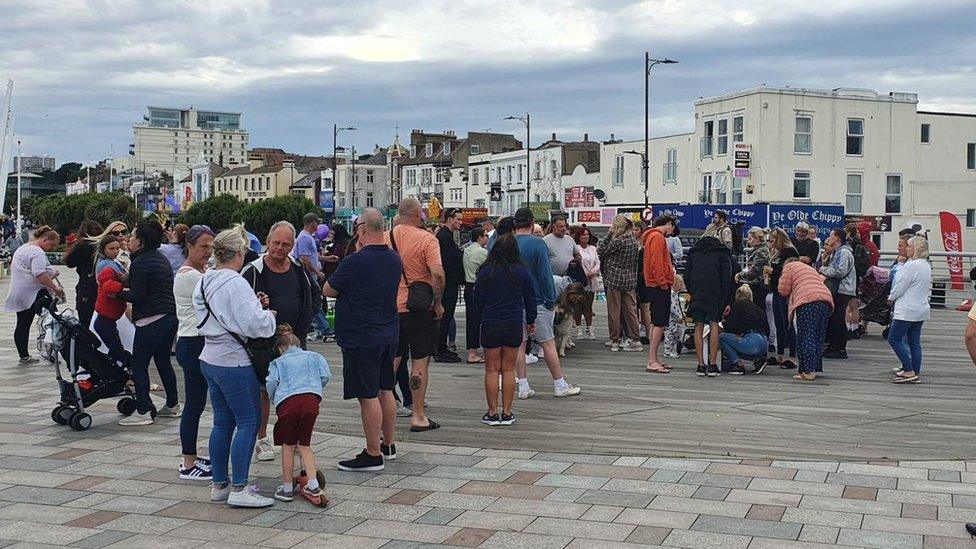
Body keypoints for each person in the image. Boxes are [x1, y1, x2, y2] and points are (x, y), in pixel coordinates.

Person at [193, 226, 277, 508]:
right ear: (239, 252)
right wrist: (269, 315)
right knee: (248, 422)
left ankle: (220, 484)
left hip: (210, 356)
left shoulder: (205, 280)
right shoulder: (236, 281)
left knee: (222, 423)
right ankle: (240, 488)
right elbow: (256, 325)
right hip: (233, 360)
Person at [324, 208, 402, 469]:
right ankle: (388, 444)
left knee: (367, 395)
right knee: (385, 389)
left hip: (361, 336)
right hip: (389, 332)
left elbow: (329, 289)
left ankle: (372, 453)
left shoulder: (354, 261)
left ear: (361, 229)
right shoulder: (393, 259)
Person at [241, 221, 317, 461]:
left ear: (293, 245)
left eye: (286, 244)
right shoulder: (253, 270)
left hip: (295, 342)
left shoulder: (298, 269)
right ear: (267, 241)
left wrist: (309, 314)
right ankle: (262, 439)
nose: (280, 248)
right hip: (264, 344)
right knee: (263, 391)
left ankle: (292, 439)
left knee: (296, 392)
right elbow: (241, 305)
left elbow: (314, 293)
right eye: (276, 243)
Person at [386, 197, 446, 432]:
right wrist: (438, 303)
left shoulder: (384, 238)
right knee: (419, 363)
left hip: (392, 310)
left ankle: (384, 411)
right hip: (419, 310)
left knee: (391, 362)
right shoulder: (427, 239)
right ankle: (418, 416)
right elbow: (438, 275)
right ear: (418, 214)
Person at [512, 208, 581, 399]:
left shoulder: (507, 243)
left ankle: (523, 386)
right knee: (548, 343)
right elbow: (544, 274)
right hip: (537, 300)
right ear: (532, 222)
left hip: (515, 301)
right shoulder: (538, 244)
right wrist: (551, 299)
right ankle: (559, 384)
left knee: (520, 344)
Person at [118, 221, 180, 426]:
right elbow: (148, 284)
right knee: (163, 361)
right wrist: (124, 280)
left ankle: (143, 410)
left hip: (151, 319)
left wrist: (116, 293)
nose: (129, 240)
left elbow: (139, 295)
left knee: (139, 365)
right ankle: (172, 405)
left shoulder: (141, 261)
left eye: (133, 237)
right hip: (169, 316)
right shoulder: (159, 258)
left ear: (141, 242)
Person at [472, 233, 536, 426]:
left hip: (491, 322)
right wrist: (530, 320)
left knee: (491, 369)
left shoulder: (485, 272)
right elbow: (530, 299)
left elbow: (477, 300)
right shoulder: (522, 272)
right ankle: (507, 413)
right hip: (513, 322)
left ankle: (492, 413)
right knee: (508, 370)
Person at [266, 324, 331, 501]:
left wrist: (275, 398)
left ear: (280, 348)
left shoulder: (277, 362)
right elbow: (325, 376)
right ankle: (313, 484)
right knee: (304, 444)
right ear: (299, 343)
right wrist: (315, 388)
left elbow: (271, 383)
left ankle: (287, 488)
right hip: (311, 401)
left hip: (288, 403)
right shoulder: (315, 356)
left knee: (288, 446)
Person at [173, 225, 216, 481]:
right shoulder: (191, 276)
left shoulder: (201, 272)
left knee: (197, 402)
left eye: (211, 246)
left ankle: (191, 457)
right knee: (194, 403)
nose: (208, 251)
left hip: (195, 341)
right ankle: (188, 461)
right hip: (193, 342)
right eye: (203, 246)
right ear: (189, 246)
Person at [4, 226, 65, 364]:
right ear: (44, 239)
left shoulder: (23, 248)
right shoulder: (37, 252)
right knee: (52, 322)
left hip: (20, 293)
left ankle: (24, 356)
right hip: (35, 292)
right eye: (51, 245)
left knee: (22, 324)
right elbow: (39, 273)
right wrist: (55, 288)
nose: (51, 249)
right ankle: (50, 352)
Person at [684, 235, 733, 377]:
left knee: (698, 327)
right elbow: (726, 279)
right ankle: (712, 364)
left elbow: (687, 276)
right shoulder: (722, 254)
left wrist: (693, 291)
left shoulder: (694, 254)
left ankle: (700, 364)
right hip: (715, 294)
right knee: (714, 326)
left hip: (698, 295)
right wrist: (724, 299)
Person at [778, 258, 833, 381]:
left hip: (808, 301)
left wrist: (779, 278)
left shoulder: (789, 267)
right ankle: (813, 368)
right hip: (826, 300)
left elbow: (783, 290)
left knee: (805, 336)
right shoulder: (808, 268)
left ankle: (808, 371)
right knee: (817, 337)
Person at [888, 236, 932, 384]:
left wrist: (891, 297)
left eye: (909, 246)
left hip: (907, 310)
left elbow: (900, 285)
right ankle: (915, 370)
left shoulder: (911, 265)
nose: (906, 248)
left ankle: (908, 369)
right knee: (914, 342)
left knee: (893, 338)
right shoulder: (926, 265)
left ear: (915, 248)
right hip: (921, 309)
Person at [598, 215, 642, 353]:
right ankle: (635, 339)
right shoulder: (633, 241)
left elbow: (601, 251)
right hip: (629, 280)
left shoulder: (619, 240)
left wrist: (609, 234)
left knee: (614, 311)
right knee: (631, 311)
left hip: (614, 279)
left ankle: (615, 340)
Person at [641, 215, 677, 373]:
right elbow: (656, 262)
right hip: (658, 285)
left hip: (653, 283)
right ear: (668, 224)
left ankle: (654, 357)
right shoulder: (658, 238)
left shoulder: (650, 236)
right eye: (672, 227)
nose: (672, 230)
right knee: (660, 322)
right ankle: (652, 360)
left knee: (656, 321)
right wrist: (663, 282)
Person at [294, 213, 334, 342]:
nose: (318, 225)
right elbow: (304, 259)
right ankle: (325, 329)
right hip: (308, 275)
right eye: (317, 222)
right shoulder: (305, 238)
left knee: (313, 302)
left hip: (310, 275)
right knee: (315, 302)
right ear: (313, 223)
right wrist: (317, 272)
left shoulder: (307, 237)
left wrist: (326, 258)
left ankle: (316, 328)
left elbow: (311, 256)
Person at [762, 228, 799, 369]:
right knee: (778, 323)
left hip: (785, 291)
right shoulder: (777, 252)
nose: (771, 243)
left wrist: (772, 271)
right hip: (776, 289)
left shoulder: (789, 252)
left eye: (773, 240)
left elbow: (788, 272)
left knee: (787, 323)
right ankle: (780, 354)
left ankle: (793, 355)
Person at [819, 229, 857, 359]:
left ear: (837, 238)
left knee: (838, 318)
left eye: (831, 236)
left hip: (842, 289)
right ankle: (833, 346)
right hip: (839, 289)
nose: (829, 238)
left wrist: (823, 269)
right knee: (835, 318)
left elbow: (840, 271)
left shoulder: (844, 252)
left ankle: (839, 348)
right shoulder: (838, 252)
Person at [92, 234, 129, 365]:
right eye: (111, 248)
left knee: (115, 351)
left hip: (110, 315)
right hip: (106, 315)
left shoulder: (114, 263)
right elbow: (108, 286)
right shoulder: (105, 266)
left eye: (117, 248)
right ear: (103, 250)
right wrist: (124, 286)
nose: (115, 251)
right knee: (117, 350)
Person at [434, 208, 464, 363]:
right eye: (458, 219)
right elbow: (447, 262)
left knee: (447, 316)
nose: (460, 222)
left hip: (450, 282)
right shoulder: (444, 237)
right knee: (444, 316)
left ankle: (441, 347)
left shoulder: (446, 236)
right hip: (448, 283)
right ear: (450, 219)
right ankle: (439, 349)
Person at [720, 285, 770, 375]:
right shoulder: (757, 308)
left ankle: (737, 364)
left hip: (752, 341)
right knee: (738, 345)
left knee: (723, 338)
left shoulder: (736, 305)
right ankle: (759, 359)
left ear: (737, 295)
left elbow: (730, 326)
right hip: (764, 342)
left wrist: (724, 318)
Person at [63, 220, 103, 327]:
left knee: (86, 322)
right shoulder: (104, 245)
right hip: (101, 286)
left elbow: (69, 262)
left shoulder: (83, 246)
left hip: (86, 286)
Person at [463, 227, 489, 364]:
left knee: (471, 320)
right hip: (478, 286)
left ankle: (471, 351)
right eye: (485, 236)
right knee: (480, 320)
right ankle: (476, 352)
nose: (487, 238)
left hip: (468, 286)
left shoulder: (466, 250)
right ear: (479, 237)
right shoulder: (482, 252)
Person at [573, 226, 599, 340]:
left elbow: (598, 262)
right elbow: (577, 263)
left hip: (591, 279)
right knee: (578, 305)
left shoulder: (593, 248)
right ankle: (578, 328)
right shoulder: (576, 248)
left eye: (587, 234)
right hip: (580, 279)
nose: (585, 236)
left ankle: (589, 327)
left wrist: (593, 272)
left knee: (588, 305)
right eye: (583, 234)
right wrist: (584, 273)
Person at [735, 227, 770, 309]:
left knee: (757, 307)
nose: (748, 241)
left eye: (750, 239)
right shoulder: (758, 250)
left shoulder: (762, 251)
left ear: (757, 239)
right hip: (757, 283)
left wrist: (739, 275)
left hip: (758, 285)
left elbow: (753, 271)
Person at [662, 275, 685, 359]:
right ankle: (667, 351)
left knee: (676, 334)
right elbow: (672, 307)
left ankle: (672, 349)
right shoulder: (671, 295)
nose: (682, 286)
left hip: (676, 320)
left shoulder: (676, 294)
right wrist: (678, 316)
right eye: (681, 284)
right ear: (675, 284)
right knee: (670, 335)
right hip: (671, 319)